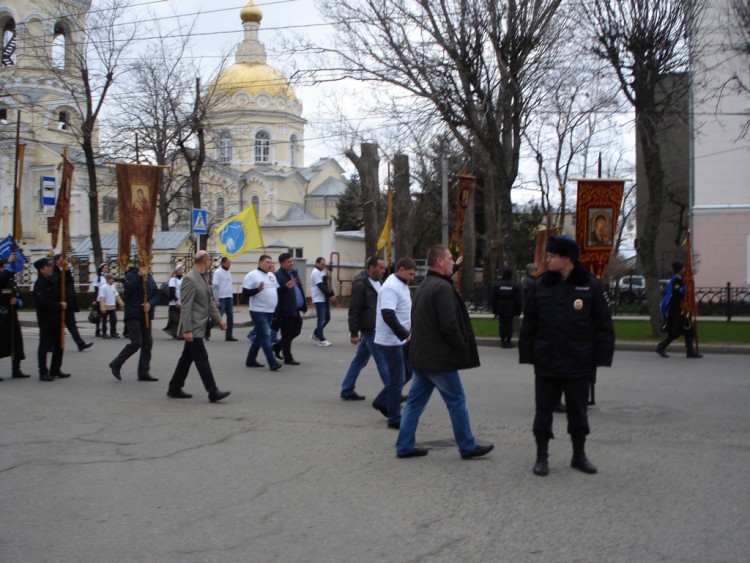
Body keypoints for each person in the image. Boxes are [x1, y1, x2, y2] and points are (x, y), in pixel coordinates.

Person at [519, 235, 615, 477]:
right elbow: (529, 323)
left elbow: (603, 324)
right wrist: (528, 353)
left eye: (551, 256)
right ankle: (541, 457)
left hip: (578, 361)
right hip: (547, 361)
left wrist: (601, 358)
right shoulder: (541, 285)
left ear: (566, 258)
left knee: (578, 411)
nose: (546, 259)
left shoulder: (591, 285)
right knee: (543, 411)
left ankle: (579, 455)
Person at [396, 245, 495, 460]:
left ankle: (404, 446)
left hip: (422, 356)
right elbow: (449, 324)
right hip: (438, 359)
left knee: (414, 402)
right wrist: (461, 345)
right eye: (450, 258)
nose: (453, 262)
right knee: (457, 400)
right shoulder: (442, 288)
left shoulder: (424, 285)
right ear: (439, 262)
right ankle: (467, 446)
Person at [166, 250, 230, 402]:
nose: (210, 264)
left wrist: (219, 319)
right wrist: (187, 330)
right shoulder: (190, 279)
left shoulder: (202, 277)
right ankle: (212, 391)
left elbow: (209, 302)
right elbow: (186, 307)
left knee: (187, 358)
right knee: (201, 358)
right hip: (193, 327)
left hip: (199, 325)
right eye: (209, 261)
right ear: (205, 261)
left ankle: (174, 387)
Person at [339, 256, 390, 402]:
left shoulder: (379, 282)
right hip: (370, 328)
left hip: (378, 327)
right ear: (371, 268)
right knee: (383, 360)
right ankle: (393, 393)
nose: (383, 270)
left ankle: (347, 389)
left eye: (384, 268)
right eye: (380, 268)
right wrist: (354, 333)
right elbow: (354, 310)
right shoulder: (361, 284)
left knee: (360, 360)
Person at [375, 256, 416, 429]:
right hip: (389, 341)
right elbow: (388, 315)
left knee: (408, 373)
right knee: (398, 378)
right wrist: (405, 335)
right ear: (400, 270)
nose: (412, 277)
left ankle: (381, 401)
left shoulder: (401, 284)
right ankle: (394, 418)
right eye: (410, 274)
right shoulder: (391, 287)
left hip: (399, 340)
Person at [108, 263, 160, 382]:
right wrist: (139, 276)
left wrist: (150, 304)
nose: (151, 265)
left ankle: (143, 372)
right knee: (137, 342)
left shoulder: (150, 277)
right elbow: (128, 290)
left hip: (145, 314)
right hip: (133, 314)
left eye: (151, 263)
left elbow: (157, 294)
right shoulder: (130, 274)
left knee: (148, 343)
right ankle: (116, 363)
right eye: (149, 263)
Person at [242, 255, 281, 371]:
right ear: (260, 263)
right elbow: (245, 293)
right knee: (265, 336)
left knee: (259, 337)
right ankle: (272, 362)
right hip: (258, 310)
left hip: (270, 311)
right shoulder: (252, 275)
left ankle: (250, 360)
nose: (270, 264)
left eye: (271, 262)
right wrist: (257, 290)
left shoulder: (271, 276)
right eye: (267, 262)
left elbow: (276, 291)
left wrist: (286, 288)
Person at [32, 257, 70, 381]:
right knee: (44, 346)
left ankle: (55, 369)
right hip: (46, 320)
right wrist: (59, 305)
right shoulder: (39, 285)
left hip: (57, 318)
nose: (50, 268)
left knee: (59, 345)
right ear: (42, 269)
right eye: (48, 267)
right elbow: (43, 303)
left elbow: (67, 281)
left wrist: (66, 268)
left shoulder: (52, 280)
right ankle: (43, 371)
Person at [656, 261, 702, 359]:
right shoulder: (675, 280)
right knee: (675, 332)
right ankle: (661, 347)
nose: (685, 270)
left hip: (684, 308)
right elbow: (676, 293)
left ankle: (690, 352)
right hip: (678, 310)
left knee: (688, 330)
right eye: (683, 268)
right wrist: (686, 287)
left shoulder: (681, 279)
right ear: (679, 270)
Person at [52, 254, 93, 352]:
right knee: (55, 326)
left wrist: (66, 270)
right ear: (57, 261)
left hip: (68, 303)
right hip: (59, 303)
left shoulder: (65, 269)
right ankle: (51, 345)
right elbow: (57, 283)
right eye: (62, 259)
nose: (64, 261)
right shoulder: (54, 270)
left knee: (72, 325)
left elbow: (69, 281)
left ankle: (80, 344)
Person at [273, 253, 307, 366]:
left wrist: (303, 304)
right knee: (287, 334)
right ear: (282, 263)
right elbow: (276, 293)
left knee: (297, 330)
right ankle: (288, 357)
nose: (291, 263)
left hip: (295, 308)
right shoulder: (278, 276)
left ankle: (277, 346)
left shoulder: (293, 273)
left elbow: (298, 289)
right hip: (285, 310)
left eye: (291, 261)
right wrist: (285, 287)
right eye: (288, 262)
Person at [0, 254, 28, 379]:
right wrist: (9, 264)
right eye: (2, 267)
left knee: (16, 343)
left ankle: (16, 369)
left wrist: (17, 301)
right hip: (1, 316)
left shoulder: (11, 283)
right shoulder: (2, 280)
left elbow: (21, 300)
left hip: (11, 317)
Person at [492, 268, 522, 348]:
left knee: (502, 325)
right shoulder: (514, 285)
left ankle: (502, 340)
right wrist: (518, 311)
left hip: (500, 306)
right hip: (510, 307)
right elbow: (518, 299)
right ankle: (508, 341)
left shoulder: (498, 285)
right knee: (509, 325)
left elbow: (494, 298)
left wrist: (494, 310)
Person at [310, 256, 335, 346]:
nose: (323, 266)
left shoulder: (322, 272)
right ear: (317, 263)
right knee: (321, 319)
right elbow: (321, 286)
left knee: (327, 318)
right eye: (322, 264)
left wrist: (331, 294)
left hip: (324, 298)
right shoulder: (315, 273)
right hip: (319, 298)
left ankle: (316, 333)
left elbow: (327, 285)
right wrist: (330, 294)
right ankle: (321, 339)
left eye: (324, 264)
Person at [212, 256, 237, 341]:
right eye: (228, 262)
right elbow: (215, 286)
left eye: (230, 262)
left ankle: (229, 336)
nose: (229, 264)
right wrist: (216, 299)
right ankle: (205, 330)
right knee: (217, 317)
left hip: (229, 297)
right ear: (223, 263)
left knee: (230, 317)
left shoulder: (228, 272)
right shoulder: (218, 272)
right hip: (221, 298)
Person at [98, 274, 123, 338]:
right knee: (104, 321)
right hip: (106, 306)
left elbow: (116, 296)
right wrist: (102, 307)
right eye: (112, 279)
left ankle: (113, 333)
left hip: (112, 306)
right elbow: (102, 298)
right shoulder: (103, 287)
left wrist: (121, 303)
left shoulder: (113, 287)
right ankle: (104, 333)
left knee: (114, 320)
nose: (113, 280)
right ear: (108, 279)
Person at [163, 264, 184, 338]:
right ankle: (176, 333)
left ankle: (179, 333)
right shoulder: (173, 280)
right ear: (176, 271)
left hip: (182, 301)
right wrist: (176, 301)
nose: (181, 271)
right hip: (174, 302)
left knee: (181, 318)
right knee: (175, 319)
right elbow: (172, 291)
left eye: (182, 269)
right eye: (180, 269)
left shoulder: (183, 279)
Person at [92, 262, 109, 337]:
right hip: (100, 298)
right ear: (101, 269)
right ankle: (97, 330)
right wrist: (95, 299)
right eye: (105, 268)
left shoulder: (107, 277)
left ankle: (104, 330)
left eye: (107, 268)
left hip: (107, 298)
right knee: (99, 315)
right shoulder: (97, 277)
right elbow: (96, 289)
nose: (106, 269)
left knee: (105, 315)